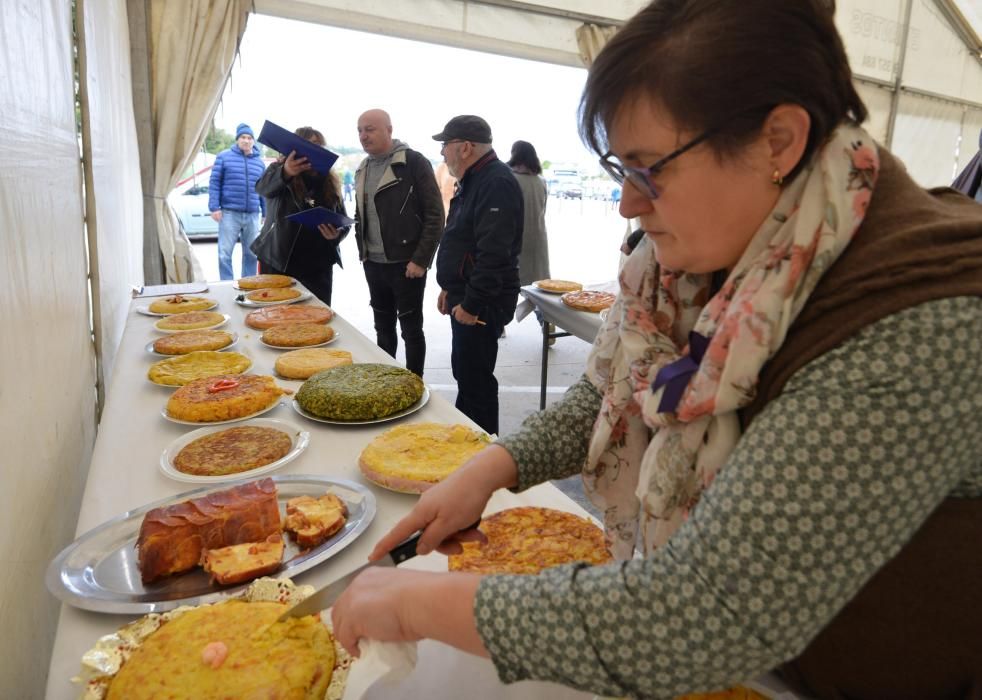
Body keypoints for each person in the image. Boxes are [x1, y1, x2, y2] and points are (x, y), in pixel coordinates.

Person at [331, 2, 982, 698]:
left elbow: (705, 610)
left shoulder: (923, 317)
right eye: (620, 167)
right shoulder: (725, 248)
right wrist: (493, 467)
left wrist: (414, 604)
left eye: (649, 170)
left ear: (779, 142)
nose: (625, 206)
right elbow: (617, 392)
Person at [430, 115, 523, 435]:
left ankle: (479, 454)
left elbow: (495, 254)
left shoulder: (495, 182)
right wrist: (451, 287)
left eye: (446, 145)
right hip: (466, 292)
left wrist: (471, 303)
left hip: (483, 301)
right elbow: (463, 238)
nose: (443, 153)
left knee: (476, 381)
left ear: (466, 147)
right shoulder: (476, 178)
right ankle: (466, 443)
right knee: (467, 374)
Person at [353, 109, 445, 377]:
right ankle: (387, 380)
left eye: (369, 129)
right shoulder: (363, 168)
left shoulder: (413, 162)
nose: (363, 135)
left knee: (411, 329)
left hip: (406, 264)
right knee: (382, 328)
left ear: (389, 130)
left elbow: (435, 214)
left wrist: (421, 259)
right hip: (373, 262)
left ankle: (415, 383)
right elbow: (362, 214)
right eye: (359, 130)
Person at [251, 126, 349, 305]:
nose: (316, 149)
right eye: (310, 145)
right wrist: (286, 172)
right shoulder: (278, 169)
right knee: (276, 314)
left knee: (317, 315)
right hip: (280, 260)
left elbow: (344, 220)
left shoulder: (330, 181)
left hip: (318, 263)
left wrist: (337, 234)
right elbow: (262, 188)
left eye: (320, 145)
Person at [209, 123, 266, 279]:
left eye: (249, 138)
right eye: (243, 137)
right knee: (224, 254)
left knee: (252, 254)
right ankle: (227, 285)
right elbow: (214, 182)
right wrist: (214, 207)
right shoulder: (224, 157)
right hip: (229, 213)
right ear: (237, 139)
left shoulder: (260, 163)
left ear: (253, 141)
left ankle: (248, 285)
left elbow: (264, 189)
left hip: (252, 214)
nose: (246, 141)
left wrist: (265, 212)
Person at [507, 140, 549, 285]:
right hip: (538, 238)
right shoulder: (541, 181)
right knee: (537, 283)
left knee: (516, 281)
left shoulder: (510, 179)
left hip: (517, 239)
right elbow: (544, 209)